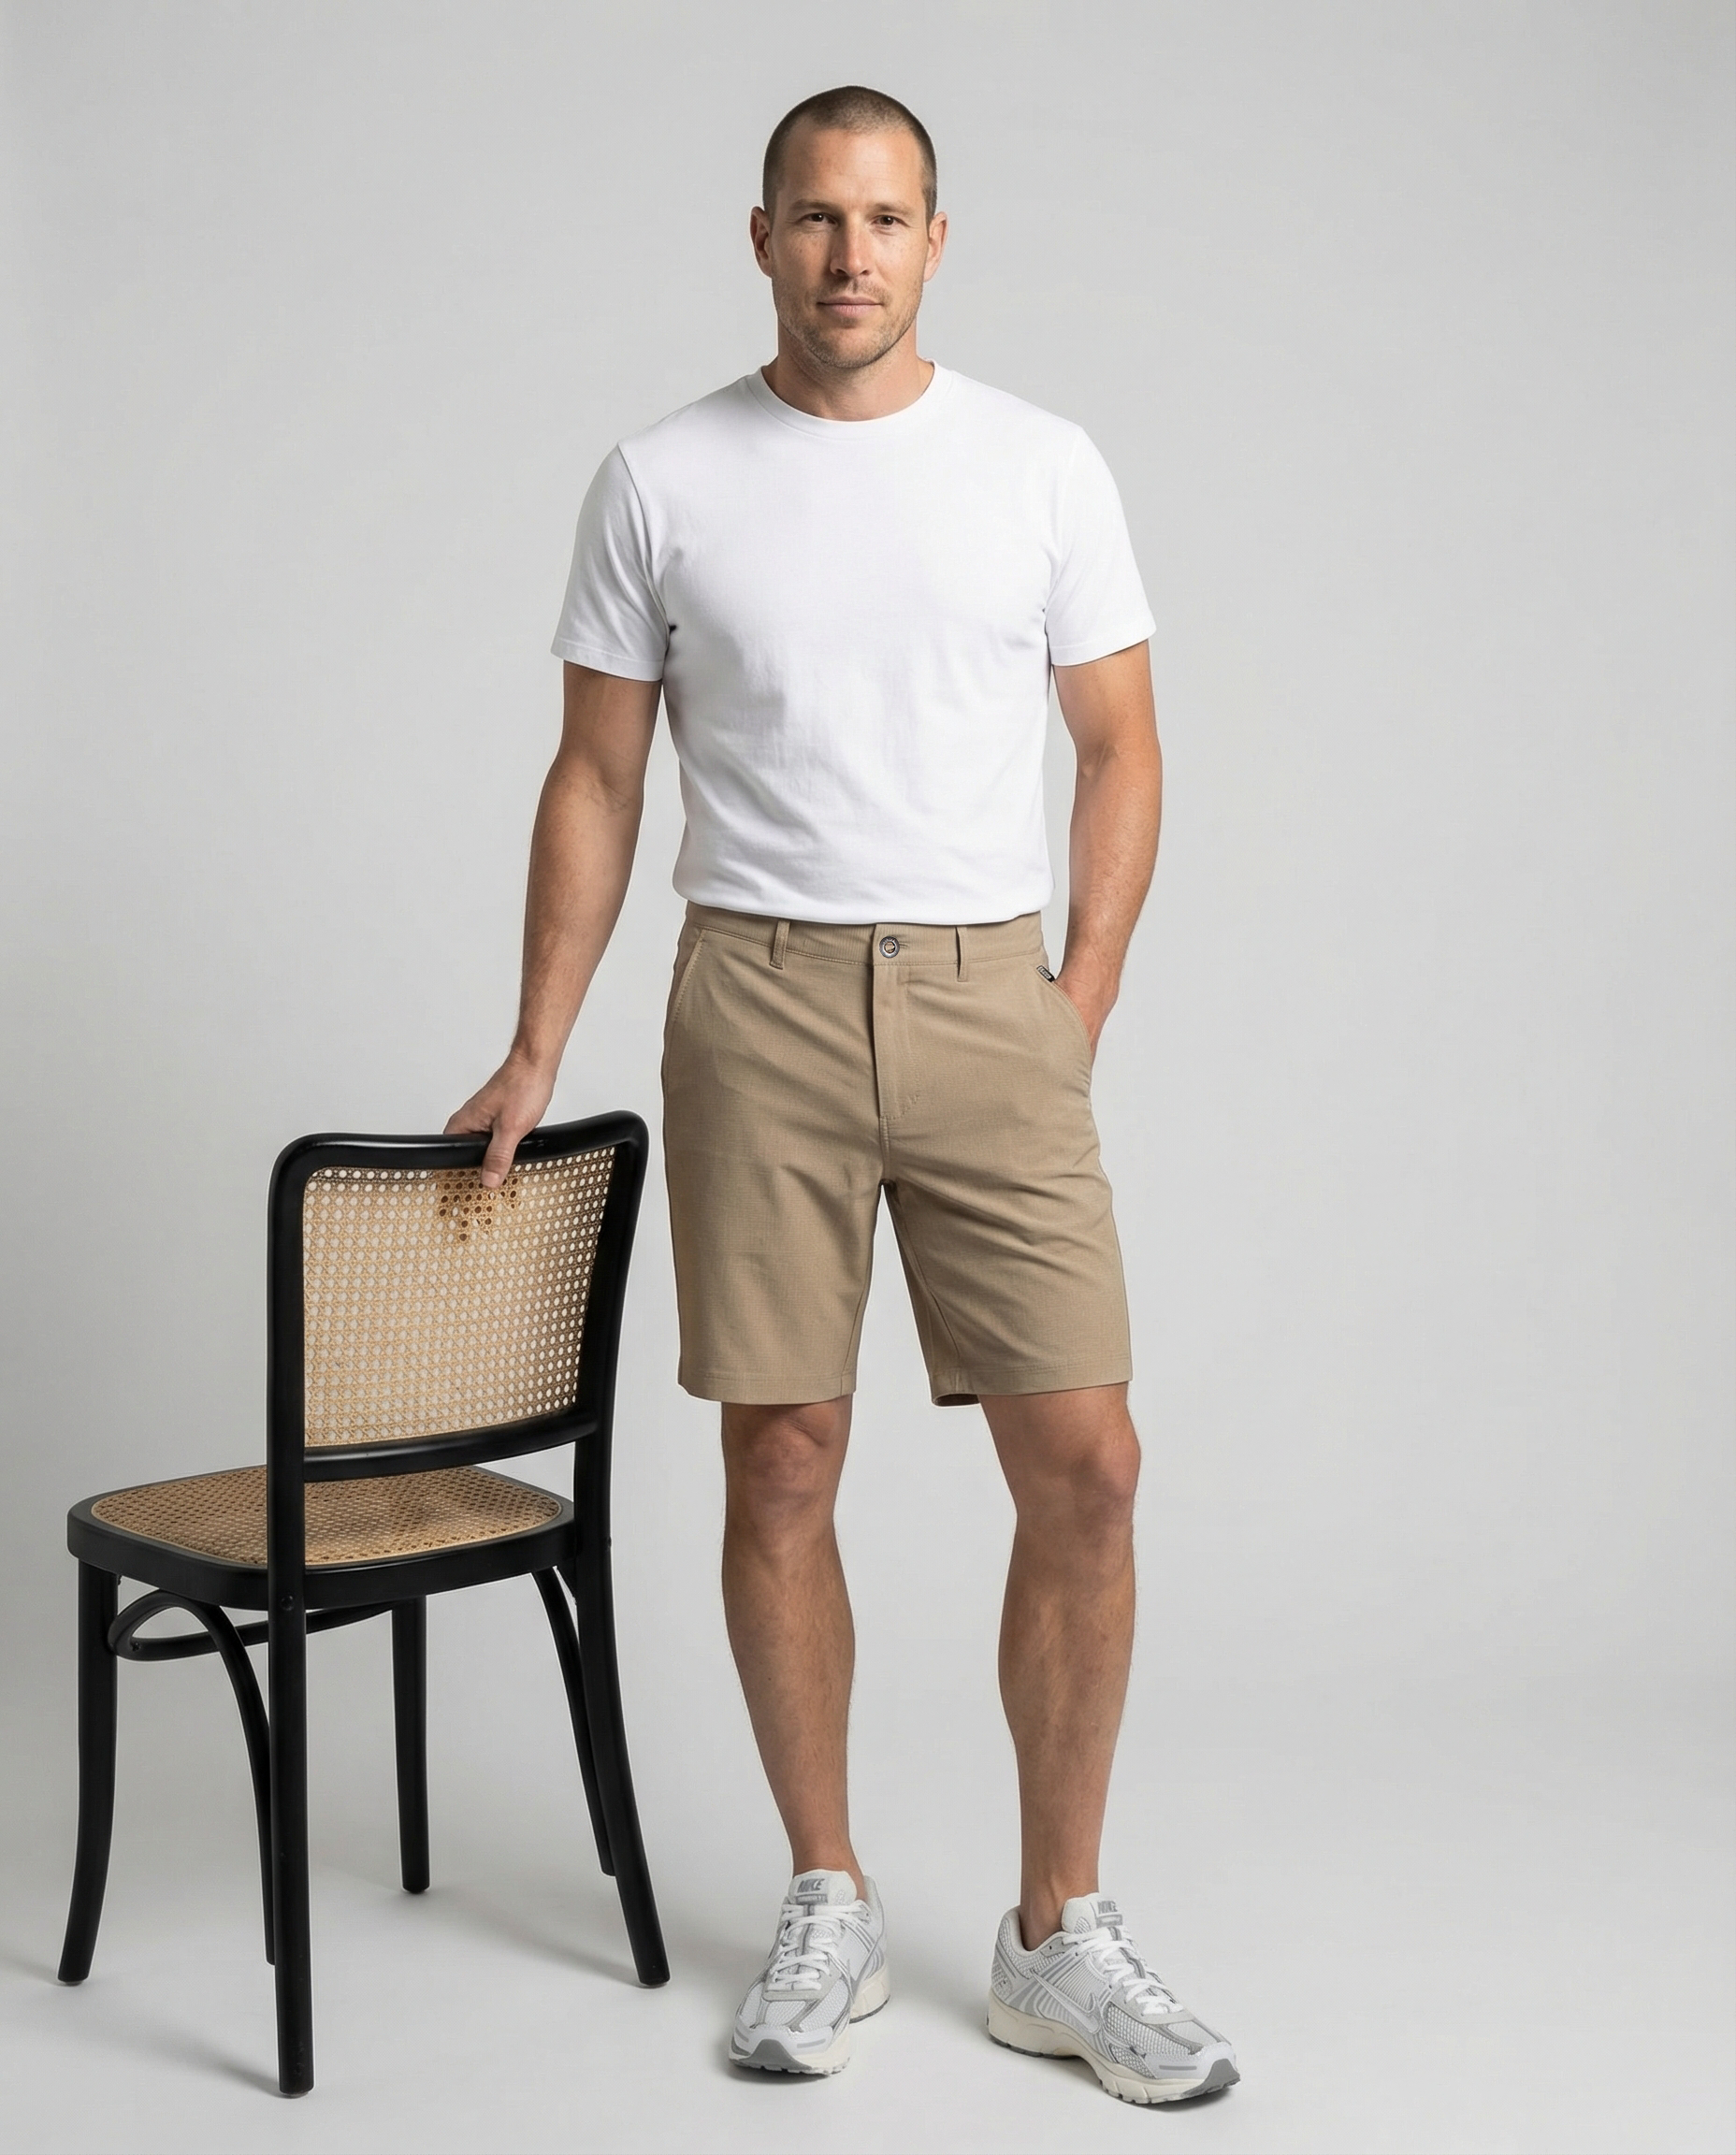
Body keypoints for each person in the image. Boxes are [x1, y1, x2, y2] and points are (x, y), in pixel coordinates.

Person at [448, 84, 1238, 2107]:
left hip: (988, 997)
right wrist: (537, 1041)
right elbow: (597, 776)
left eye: (886, 219)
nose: (851, 254)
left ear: (936, 241)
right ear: (762, 237)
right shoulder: (661, 478)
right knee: (783, 1459)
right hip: (760, 999)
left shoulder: (1041, 465)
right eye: (816, 217)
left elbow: (1124, 745)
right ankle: (829, 1895)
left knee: (1089, 1464)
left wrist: (1077, 1001)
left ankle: (1057, 1934)